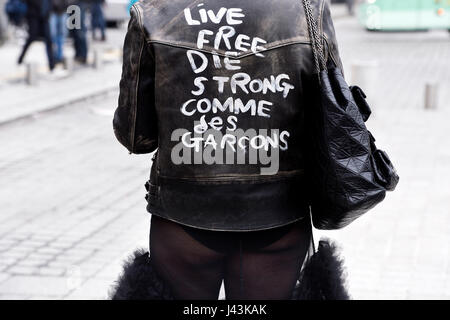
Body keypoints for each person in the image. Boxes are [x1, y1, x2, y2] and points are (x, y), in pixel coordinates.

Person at [113, 0, 344, 300]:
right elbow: (333, 117)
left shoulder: (154, 13)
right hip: (280, 216)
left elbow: (136, 138)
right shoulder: (308, 10)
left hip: (183, 220)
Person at [17, 0, 55, 71]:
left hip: (44, 16)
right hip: (33, 15)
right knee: (31, 38)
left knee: (48, 39)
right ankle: (20, 59)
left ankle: (52, 65)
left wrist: (49, 10)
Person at [50, 0, 69, 64]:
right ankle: (55, 56)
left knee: (61, 35)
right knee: (53, 35)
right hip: (52, 11)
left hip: (63, 11)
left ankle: (59, 56)